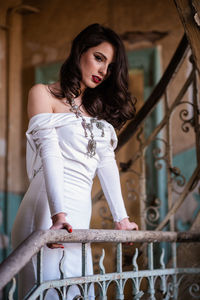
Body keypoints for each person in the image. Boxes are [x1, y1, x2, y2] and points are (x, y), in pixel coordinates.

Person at [11, 23, 138, 300]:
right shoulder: (42, 94)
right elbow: (51, 155)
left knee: (78, 292)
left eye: (110, 66)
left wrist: (122, 220)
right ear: (80, 51)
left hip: (80, 215)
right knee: (48, 292)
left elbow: (106, 162)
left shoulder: (97, 110)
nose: (103, 71)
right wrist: (58, 215)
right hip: (48, 209)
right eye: (99, 58)